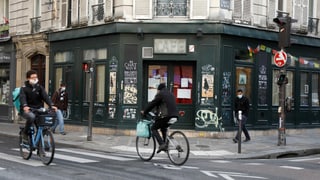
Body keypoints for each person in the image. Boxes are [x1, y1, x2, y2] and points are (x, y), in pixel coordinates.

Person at [141, 83, 179, 153]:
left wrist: (145, 111)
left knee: (153, 128)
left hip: (167, 116)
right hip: (175, 115)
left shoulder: (160, 94)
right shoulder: (171, 94)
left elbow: (152, 104)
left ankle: (162, 144)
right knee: (163, 127)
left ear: (159, 90)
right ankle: (165, 145)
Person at [20, 70, 57, 140]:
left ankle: (39, 145)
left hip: (38, 109)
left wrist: (51, 105)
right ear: (28, 78)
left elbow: (45, 97)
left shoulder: (39, 87)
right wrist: (25, 106)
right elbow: (22, 98)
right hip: (27, 110)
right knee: (31, 117)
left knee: (42, 126)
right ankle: (25, 133)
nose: (35, 78)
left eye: (36, 77)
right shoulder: (24, 88)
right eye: (32, 77)